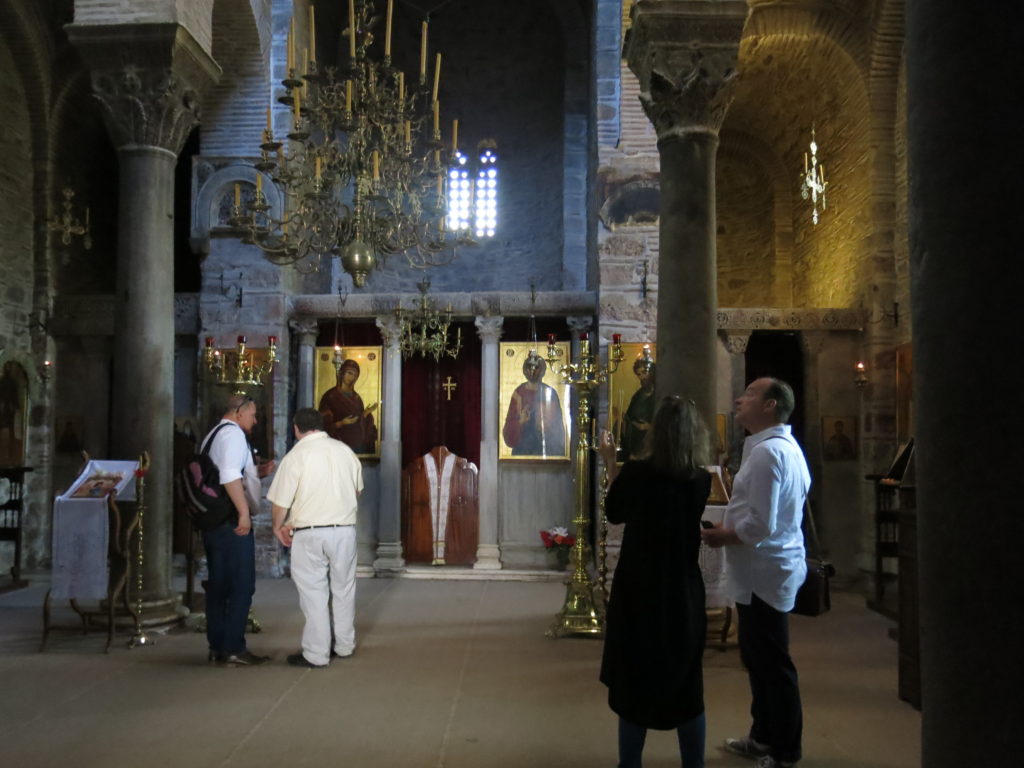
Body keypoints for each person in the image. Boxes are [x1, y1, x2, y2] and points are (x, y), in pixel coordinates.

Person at [597, 396, 713, 768]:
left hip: (639, 588)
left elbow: (615, 512)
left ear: (657, 432)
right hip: (682, 589)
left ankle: (629, 763)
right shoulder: (701, 479)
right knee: (686, 682)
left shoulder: (637, 473)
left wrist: (610, 463)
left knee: (635, 679)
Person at [701, 378, 811, 768]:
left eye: (749, 394)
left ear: (770, 406)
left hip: (765, 571)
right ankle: (763, 735)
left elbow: (759, 525)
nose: (738, 398)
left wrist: (721, 536)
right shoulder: (780, 448)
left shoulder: (768, 454)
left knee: (773, 662)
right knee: (759, 657)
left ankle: (785, 751)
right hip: (765, 571)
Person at [268, 407, 363, 668]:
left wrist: (279, 526)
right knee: (344, 588)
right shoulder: (345, 451)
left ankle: (316, 653)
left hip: (309, 533)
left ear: (296, 429)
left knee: (314, 592)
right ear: (322, 427)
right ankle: (344, 645)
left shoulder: (296, 455)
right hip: (344, 531)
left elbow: (281, 501)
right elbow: (356, 491)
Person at [201, 393, 275, 666]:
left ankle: (217, 646)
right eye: (253, 415)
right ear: (239, 412)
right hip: (230, 521)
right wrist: (244, 513)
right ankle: (233, 647)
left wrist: (258, 472)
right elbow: (229, 474)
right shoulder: (232, 435)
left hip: (214, 522)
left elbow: (227, 471)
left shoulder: (214, 434)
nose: (255, 421)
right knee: (242, 584)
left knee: (219, 585)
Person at [502, 351, 565, 456]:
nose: (532, 370)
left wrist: (544, 423)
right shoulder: (519, 393)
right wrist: (520, 421)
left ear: (542, 370)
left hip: (546, 449)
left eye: (536, 367)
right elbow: (509, 429)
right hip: (522, 450)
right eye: (529, 367)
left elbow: (557, 427)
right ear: (524, 370)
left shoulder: (550, 393)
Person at [318, 359, 378, 454]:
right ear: (342, 373)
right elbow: (323, 424)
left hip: (357, 445)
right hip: (337, 444)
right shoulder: (330, 396)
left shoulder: (357, 397)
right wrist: (341, 423)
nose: (352, 377)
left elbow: (360, 422)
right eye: (349, 373)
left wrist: (366, 414)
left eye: (355, 375)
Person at [619, 358, 656, 461]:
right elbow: (630, 417)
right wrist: (625, 421)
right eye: (639, 374)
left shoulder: (660, 393)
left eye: (644, 372)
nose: (642, 377)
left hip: (654, 447)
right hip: (636, 445)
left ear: (652, 372)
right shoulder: (637, 396)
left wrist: (647, 427)